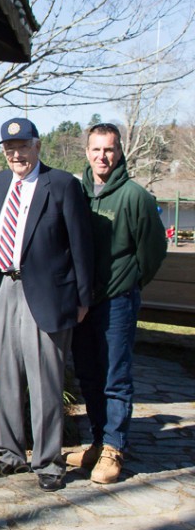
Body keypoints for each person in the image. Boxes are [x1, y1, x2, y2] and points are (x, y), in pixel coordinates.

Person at [0, 117, 93, 492]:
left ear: (37, 146)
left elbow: (80, 244)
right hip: (4, 289)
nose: (16, 154)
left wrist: (83, 297)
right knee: (6, 377)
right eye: (10, 149)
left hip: (47, 293)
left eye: (23, 146)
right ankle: (10, 453)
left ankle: (47, 460)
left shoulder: (61, 184)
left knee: (45, 380)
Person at [67, 122, 166, 484]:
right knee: (89, 375)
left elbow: (153, 251)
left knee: (115, 377)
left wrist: (130, 283)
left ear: (119, 151)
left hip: (117, 302)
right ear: (87, 152)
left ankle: (114, 448)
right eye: (96, 149)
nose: (102, 156)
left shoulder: (136, 197)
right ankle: (96, 440)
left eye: (109, 149)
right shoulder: (76, 192)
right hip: (82, 303)